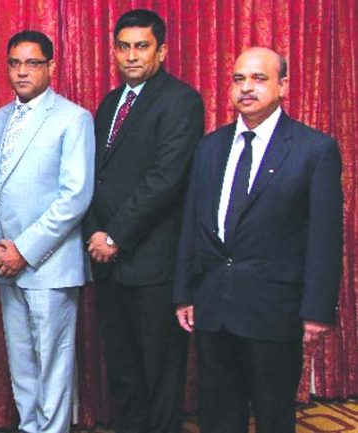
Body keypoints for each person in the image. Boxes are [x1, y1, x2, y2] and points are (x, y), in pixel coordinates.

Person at [174, 47, 342, 433]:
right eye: (238, 79)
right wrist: (185, 292)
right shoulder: (209, 147)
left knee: (273, 415)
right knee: (217, 414)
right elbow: (192, 224)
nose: (246, 88)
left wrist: (316, 309)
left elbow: (325, 237)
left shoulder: (314, 150)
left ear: (283, 86)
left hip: (275, 309)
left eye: (259, 78)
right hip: (214, 305)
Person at [82, 9, 204, 433]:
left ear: (162, 49)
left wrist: (115, 235)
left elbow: (165, 179)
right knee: (123, 371)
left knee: (161, 374)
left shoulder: (181, 99)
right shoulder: (109, 103)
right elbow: (94, 175)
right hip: (108, 263)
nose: (131, 56)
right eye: (123, 47)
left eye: (141, 46)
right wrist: (96, 232)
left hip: (154, 263)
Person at [0, 30, 94, 433]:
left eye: (32, 63)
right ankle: (30, 427)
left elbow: (74, 198)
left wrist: (24, 251)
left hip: (48, 264)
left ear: (51, 67)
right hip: (3, 263)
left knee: (53, 361)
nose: (22, 71)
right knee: (21, 360)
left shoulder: (73, 118)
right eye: (15, 63)